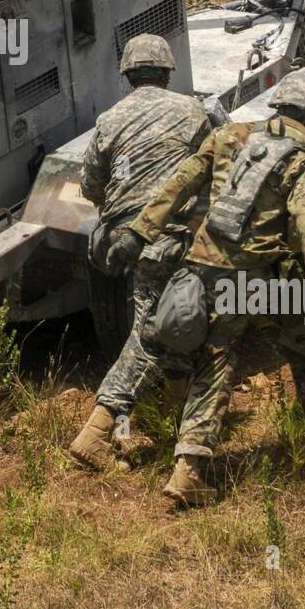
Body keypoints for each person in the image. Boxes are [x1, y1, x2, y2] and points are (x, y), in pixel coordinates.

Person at [105, 70, 305, 508]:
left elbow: (179, 183)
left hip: (201, 268)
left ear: (278, 105)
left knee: (210, 359)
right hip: (259, 280)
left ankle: (184, 467)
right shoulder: (301, 160)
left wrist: (139, 233)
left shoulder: (228, 134)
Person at [70, 34, 211, 470]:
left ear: (128, 75)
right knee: (153, 334)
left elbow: (91, 185)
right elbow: (209, 173)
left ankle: (164, 416)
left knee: (161, 326)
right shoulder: (193, 113)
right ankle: (96, 432)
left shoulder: (109, 119)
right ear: (168, 72)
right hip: (165, 239)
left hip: (116, 239)